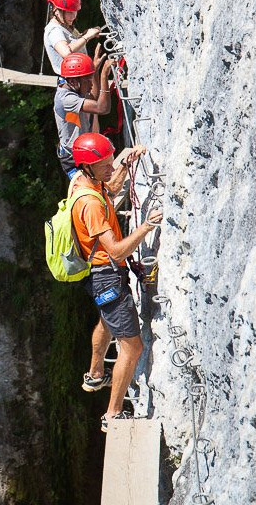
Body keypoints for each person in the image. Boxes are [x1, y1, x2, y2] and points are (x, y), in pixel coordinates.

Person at [68, 132, 162, 433]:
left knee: (107, 321)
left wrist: (125, 166)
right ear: (87, 166)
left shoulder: (82, 184)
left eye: (112, 161)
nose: (110, 167)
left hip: (100, 277)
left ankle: (95, 373)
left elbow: (110, 189)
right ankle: (112, 413)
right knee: (132, 347)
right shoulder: (90, 206)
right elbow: (118, 250)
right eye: (105, 164)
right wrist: (147, 227)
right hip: (107, 274)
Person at [53, 52, 113, 179]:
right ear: (74, 81)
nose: (91, 84)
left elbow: (93, 97)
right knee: (88, 187)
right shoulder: (66, 99)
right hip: (73, 158)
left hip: (84, 150)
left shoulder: (74, 89)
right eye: (88, 80)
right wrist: (103, 76)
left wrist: (95, 72)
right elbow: (102, 108)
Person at [43, 0, 103, 76]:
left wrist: (85, 35)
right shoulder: (54, 30)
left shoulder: (65, 25)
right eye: (69, 12)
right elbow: (66, 52)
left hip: (78, 80)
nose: (73, 16)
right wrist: (87, 37)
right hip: (70, 82)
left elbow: (73, 44)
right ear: (55, 9)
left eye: (75, 11)